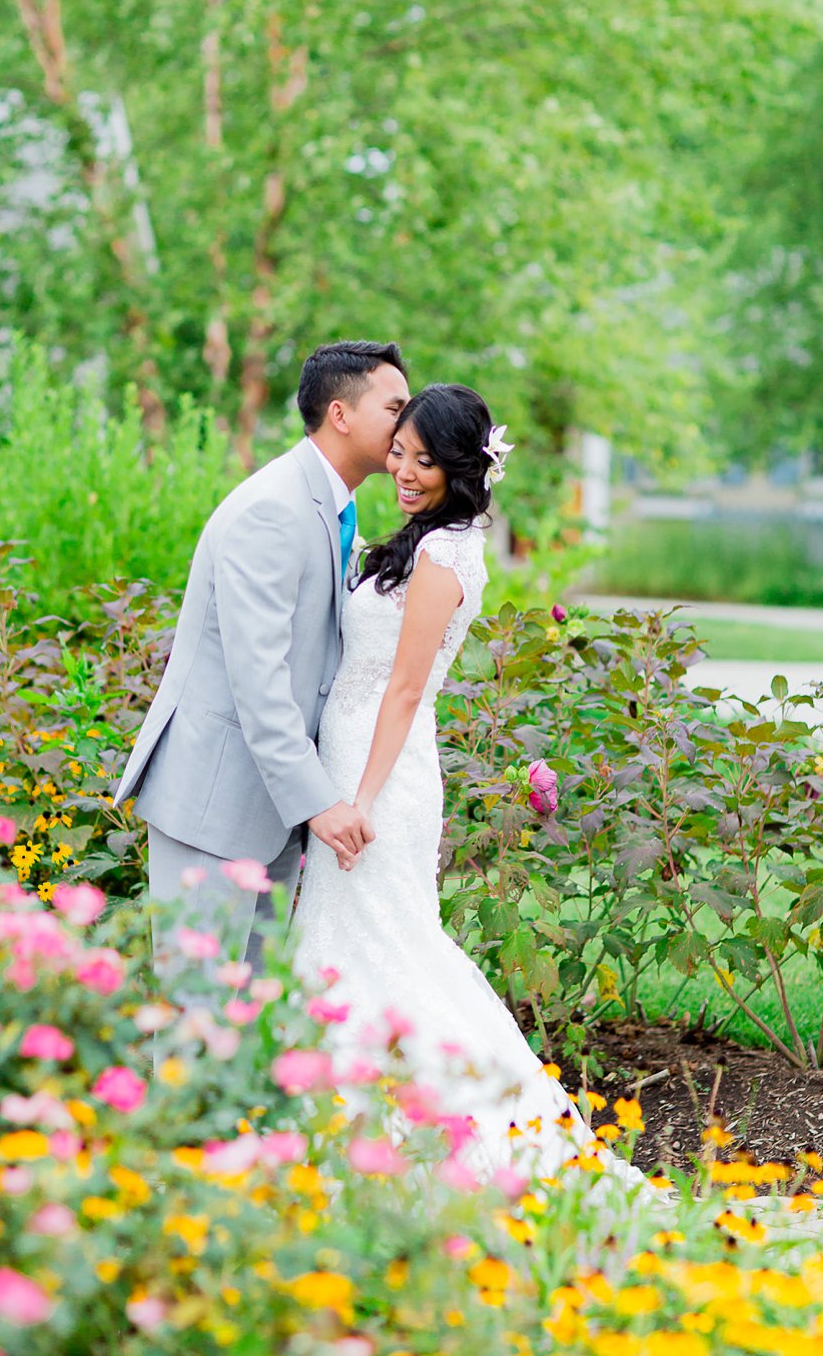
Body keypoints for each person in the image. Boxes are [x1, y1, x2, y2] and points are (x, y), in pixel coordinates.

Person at [287, 382, 646, 1187]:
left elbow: (406, 689)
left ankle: (460, 1134)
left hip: (381, 775)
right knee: (349, 943)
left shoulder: (448, 554)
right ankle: (341, 1129)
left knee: (390, 945)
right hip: (351, 757)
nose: (405, 471)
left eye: (425, 461)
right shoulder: (417, 538)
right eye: (400, 454)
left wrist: (360, 801)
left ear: (463, 466)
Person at [115, 341, 407, 972]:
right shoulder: (274, 509)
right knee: (201, 1014)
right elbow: (259, 681)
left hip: (270, 807)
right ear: (341, 413)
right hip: (214, 803)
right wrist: (320, 801)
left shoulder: (333, 506)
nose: (406, 425)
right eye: (394, 407)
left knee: (247, 1027)